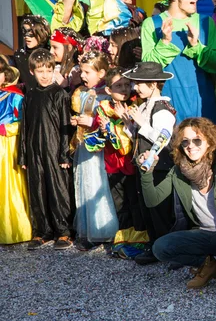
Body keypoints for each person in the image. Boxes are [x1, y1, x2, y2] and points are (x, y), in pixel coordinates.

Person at [140, 117, 216, 288]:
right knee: (160, 248)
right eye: (185, 141)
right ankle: (207, 265)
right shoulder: (179, 170)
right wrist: (147, 173)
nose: (190, 146)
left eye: (197, 140)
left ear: (209, 142)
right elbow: (152, 200)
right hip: (201, 233)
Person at [141, 0, 216, 124]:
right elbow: (147, 71)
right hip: (166, 111)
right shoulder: (152, 24)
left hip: (203, 108)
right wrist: (164, 42)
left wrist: (197, 46)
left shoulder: (206, 23)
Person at [122, 62, 177, 265]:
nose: (136, 87)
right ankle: (155, 245)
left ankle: (165, 249)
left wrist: (143, 124)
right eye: (136, 83)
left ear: (154, 84)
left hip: (159, 167)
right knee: (148, 208)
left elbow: (164, 139)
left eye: (141, 83)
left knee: (160, 210)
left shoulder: (162, 109)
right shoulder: (146, 106)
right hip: (144, 165)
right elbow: (140, 137)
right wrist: (130, 124)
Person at [18, 49, 72, 250]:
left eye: (48, 70)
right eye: (40, 71)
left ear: (54, 70)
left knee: (58, 190)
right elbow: (25, 127)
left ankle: (63, 231)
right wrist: (23, 155)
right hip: (34, 149)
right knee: (38, 190)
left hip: (54, 147)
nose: (44, 75)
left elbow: (66, 125)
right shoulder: (30, 95)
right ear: (32, 71)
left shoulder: (59, 94)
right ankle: (42, 230)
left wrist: (64, 153)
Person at [97, 67, 148, 259]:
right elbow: (98, 134)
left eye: (127, 85)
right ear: (109, 90)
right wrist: (103, 128)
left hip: (132, 162)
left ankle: (140, 238)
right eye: (119, 86)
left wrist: (117, 123)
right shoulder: (103, 107)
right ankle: (124, 237)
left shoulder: (137, 105)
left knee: (135, 201)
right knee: (119, 202)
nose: (124, 89)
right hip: (113, 162)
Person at [70, 51, 119, 250]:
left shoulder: (107, 96)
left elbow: (111, 122)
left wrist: (91, 122)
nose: (82, 76)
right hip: (85, 146)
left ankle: (104, 228)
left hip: (100, 148)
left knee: (100, 183)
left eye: (87, 72)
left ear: (101, 73)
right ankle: (88, 229)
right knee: (85, 183)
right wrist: (78, 121)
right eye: (82, 71)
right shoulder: (82, 93)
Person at [0, 56, 31, 244]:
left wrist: (5, 129)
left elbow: (25, 124)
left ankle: (13, 230)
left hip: (7, 148)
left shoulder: (14, 97)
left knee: (9, 188)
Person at [13, 15, 50, 92]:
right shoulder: (19, 55)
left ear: (41, 33)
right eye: (24, 32)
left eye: (31, 33)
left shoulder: (50, 53)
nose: (26, 36)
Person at [49, 27, 84, 92]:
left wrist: (66, 87)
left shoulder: (76, 72)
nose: (51, 51)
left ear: (69, 47)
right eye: (50, 47)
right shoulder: (54, 67)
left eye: (55, 47)